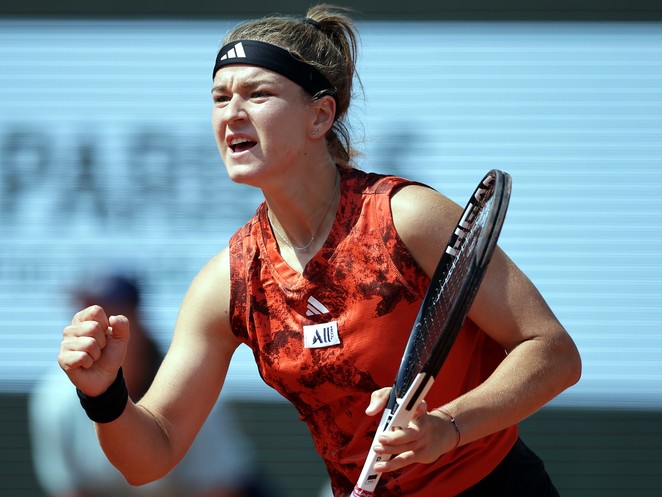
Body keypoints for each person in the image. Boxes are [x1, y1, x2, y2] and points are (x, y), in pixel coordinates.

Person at [57, 5, 582, 497]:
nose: (232, 113)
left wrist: (447, 426)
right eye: (220, 98)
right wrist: (103, 396)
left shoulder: (406, 217)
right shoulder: (229, 282)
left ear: (319, 116)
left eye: (258, 94)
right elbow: (150, 456)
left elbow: (553, 351)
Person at [34, 273, 267, 497]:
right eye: (85, 314)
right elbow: (69, 490)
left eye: (108, 314)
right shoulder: (55, 398)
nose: (94, 328)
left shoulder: (190, 382)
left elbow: (219, 489)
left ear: (136, 321)